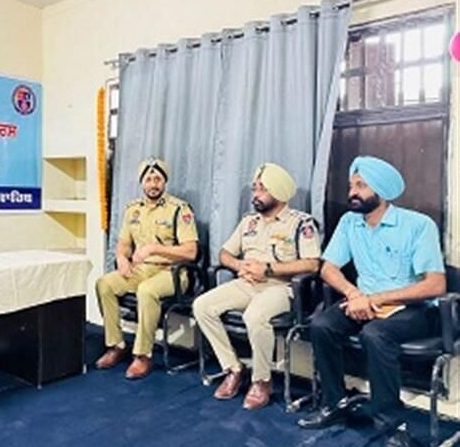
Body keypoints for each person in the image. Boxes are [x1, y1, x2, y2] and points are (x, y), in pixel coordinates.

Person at [298, 156, 446, 447]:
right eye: (351, 185)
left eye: (361, 186)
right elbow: (328, 268)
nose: (352, 192)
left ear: (381, 190)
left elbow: (435, 284)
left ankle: (392, 423)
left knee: (375, 334)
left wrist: (375, 298)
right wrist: (354, 294)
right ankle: (335, 404)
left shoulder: (418, 225)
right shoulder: (349, 222)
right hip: (362, 300)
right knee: (321, 325)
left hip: (411, 309)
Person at [192, 163, 321, 409]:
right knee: (202, 306)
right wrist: (238, 265)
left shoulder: (300, 224)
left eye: (262, 189)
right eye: (255, 188)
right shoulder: (249, 222)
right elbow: (224, 254)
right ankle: (233, 368)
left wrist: (269, 269)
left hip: (280, 288)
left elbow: (313, 264)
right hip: (247, 283)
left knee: (254, 316)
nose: (256, 195)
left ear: (278, 192)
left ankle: (262, 380)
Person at [95, 158, 199, 379]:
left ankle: (143, 355)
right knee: (104, 284)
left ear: (165, 182)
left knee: (147, 290)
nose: (153, 184)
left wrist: (154, 248)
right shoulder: (133, 210)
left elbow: (191, 252)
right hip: (141, 269)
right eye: (149, 179)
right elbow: (124, 243)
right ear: (142, 182)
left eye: (158, 179)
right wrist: (122, 258)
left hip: (172, 272)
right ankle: (116, 345)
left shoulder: (179, 209)